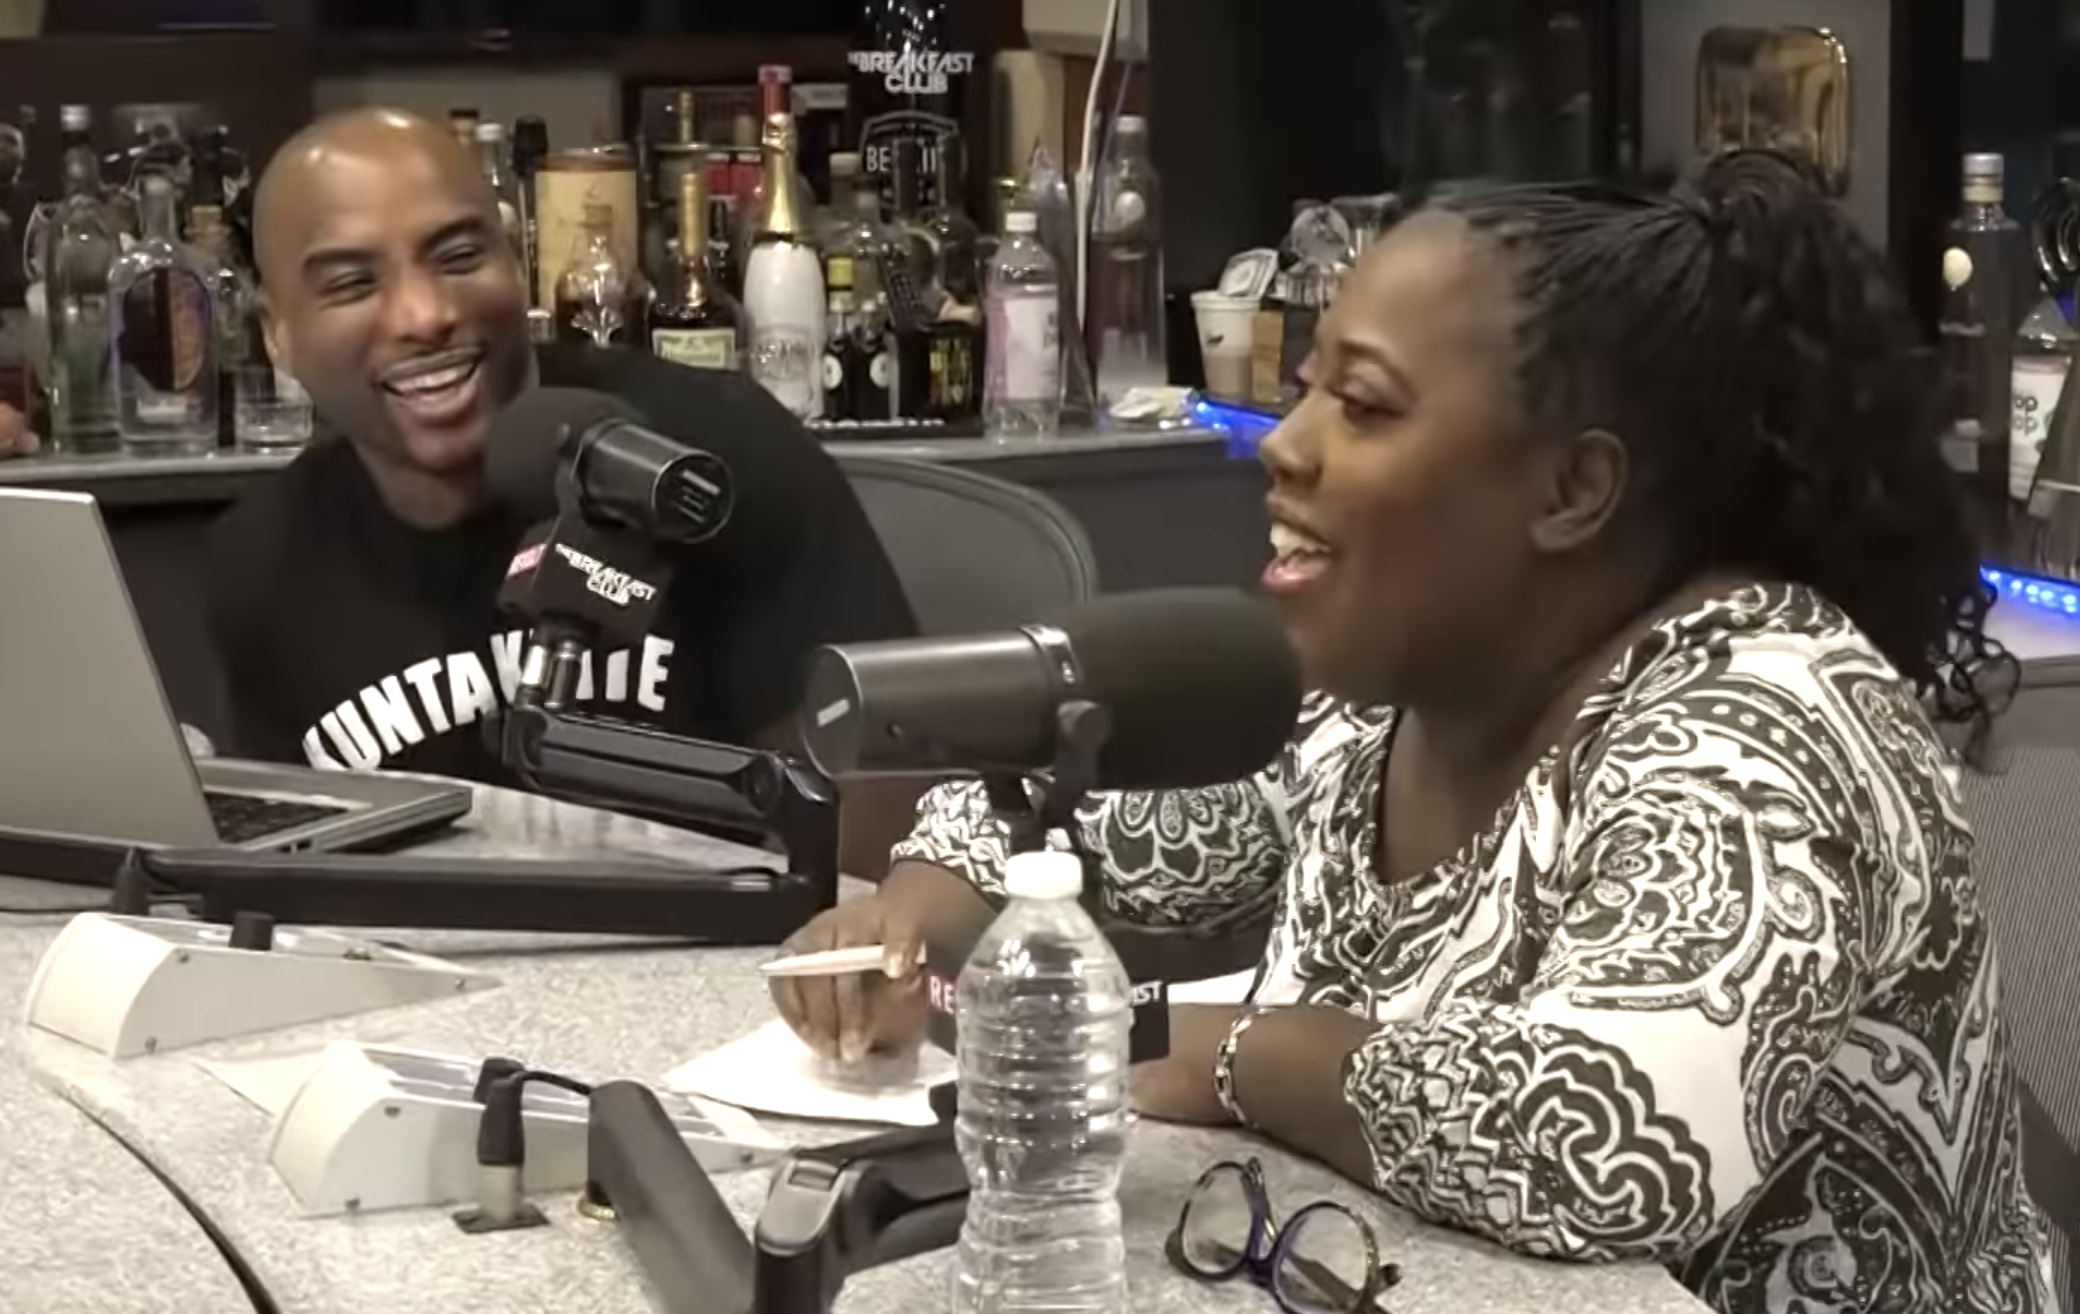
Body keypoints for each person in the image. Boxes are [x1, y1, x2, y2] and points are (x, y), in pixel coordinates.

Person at [771, 151, 2053, 1313]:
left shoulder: (1762, 722)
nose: (1284, 447)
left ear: (1572, 488)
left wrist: (1207, 1051)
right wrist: (908, 925)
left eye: (1366, 407)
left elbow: (1602, 1142)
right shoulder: (1381, 690)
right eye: (1305, 390)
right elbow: (1077, 826)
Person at [203, 109, 919, 873]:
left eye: (459, 256)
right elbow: (282, 881)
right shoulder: (264, 560)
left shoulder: (709, 462)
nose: (425, 315)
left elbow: (898, 814)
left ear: (517, 263)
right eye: (352, 283)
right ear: (277, 335)